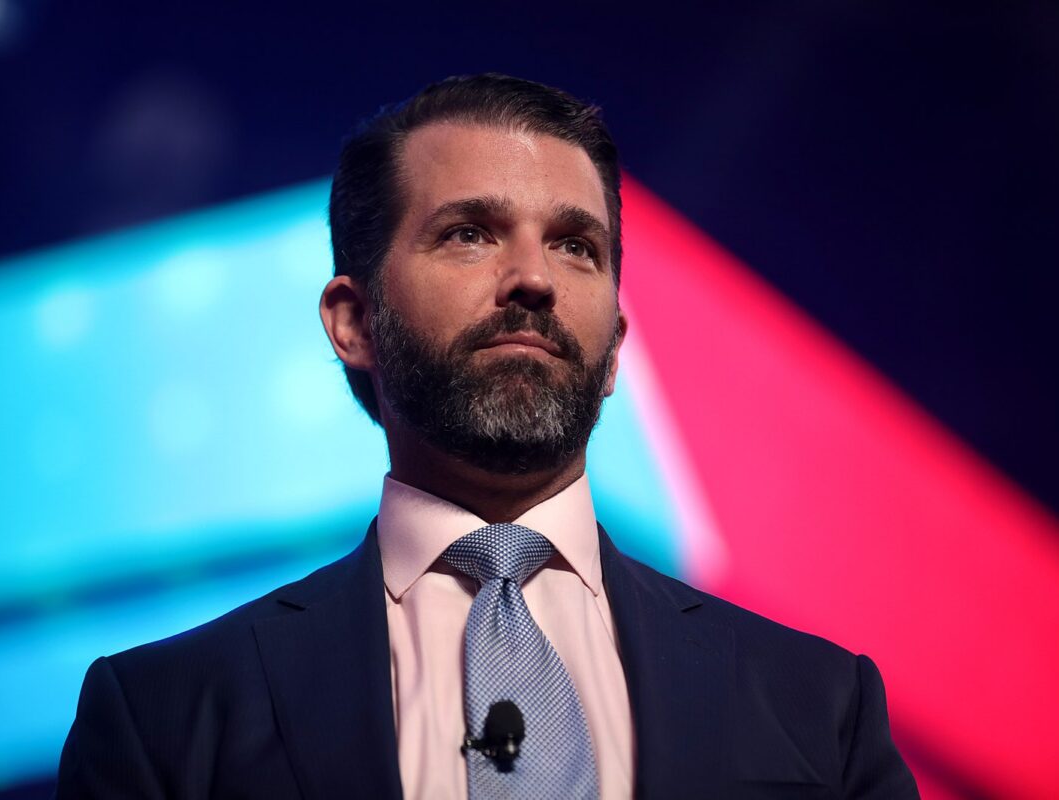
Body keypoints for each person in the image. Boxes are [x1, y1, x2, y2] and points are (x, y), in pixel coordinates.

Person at [55, 74, 919, 799]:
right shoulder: (164, 717)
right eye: (470, 234)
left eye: (577, 246)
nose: (535, 279)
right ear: (354, 321)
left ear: (614, 348)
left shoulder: (819, 708)